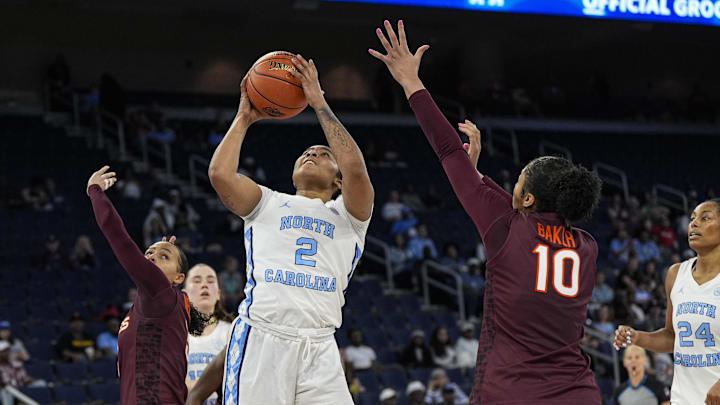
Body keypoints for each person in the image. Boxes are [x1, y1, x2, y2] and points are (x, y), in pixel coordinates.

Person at [370, 20, 603, 403]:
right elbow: (509, 208)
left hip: (511, 391)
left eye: (519, 181)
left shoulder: (507, 228)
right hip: (578, 392)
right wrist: (475, 174)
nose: (512, 186)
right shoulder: (588, 245)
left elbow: (447, 149)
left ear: (527, 199)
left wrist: (411, 83)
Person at [187, 54, 373, 405]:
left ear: (338, 180)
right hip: (263, 338)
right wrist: (244, 118)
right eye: (306, 151)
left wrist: (318, 103)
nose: (312, 153)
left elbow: (358, 171)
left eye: (321, 153)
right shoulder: (267, 202)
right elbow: (220, 175)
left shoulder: (349, 215)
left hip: (319, 345)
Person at [86, 165, 209, 404]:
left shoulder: (162, 295)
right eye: (149, 253)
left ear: (178, 278)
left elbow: (118, 237)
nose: (151, 257)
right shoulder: (162, 304)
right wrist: (165, 253)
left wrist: (95, 191)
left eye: (163, 257)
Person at [614, 199, 720, 405]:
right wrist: (637, 337)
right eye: (692, 219)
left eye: (705, 218)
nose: (694, 224)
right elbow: (673, 337)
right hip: (683, 399)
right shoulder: (675, 274)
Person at [185, 263, 234, 405]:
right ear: (185, 293)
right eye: (197, 281)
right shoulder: (173, 335)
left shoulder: (232, 332)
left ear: (218, 294)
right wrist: (210, 386)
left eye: (211, 281)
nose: (204, 285)